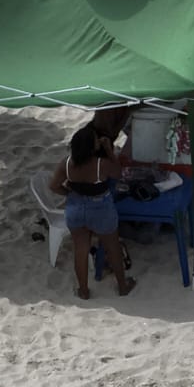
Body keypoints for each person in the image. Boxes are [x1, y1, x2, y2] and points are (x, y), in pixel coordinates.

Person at [50, 124, 132, 300]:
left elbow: (54, 186)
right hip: (100, 208)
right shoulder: (101, 164)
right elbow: (118, 173)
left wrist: (70, 194)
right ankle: (123, 286)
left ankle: (84, 290)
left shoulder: (66, 163)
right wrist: (109, 150)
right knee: (112, 246)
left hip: (75, 208)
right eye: (96, 141)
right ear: (91, 147)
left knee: (80, 249)